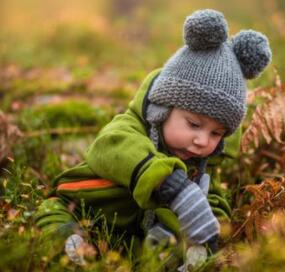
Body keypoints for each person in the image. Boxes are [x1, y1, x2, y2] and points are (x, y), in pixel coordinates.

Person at [34, 8, 271, 268]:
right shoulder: (129, 129)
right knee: (54, 217)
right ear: (162, 110)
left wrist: (211, 228)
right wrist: (169, 183)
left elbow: (211, 196)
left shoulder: (200, 163)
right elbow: (109, 147)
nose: (203, 141)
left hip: (131, 235)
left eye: (216, 133)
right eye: (194, 124)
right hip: (81, 206)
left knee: (170, 249)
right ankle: (69, 247)